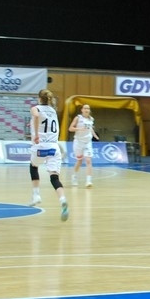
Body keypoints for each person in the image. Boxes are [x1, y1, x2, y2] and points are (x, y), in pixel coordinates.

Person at [29, 89, 69, 221]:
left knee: (33, 167)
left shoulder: (35, 108)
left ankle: (36, 196)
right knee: (54, 178)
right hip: (54, 147)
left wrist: (35, 135)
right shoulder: (53, 111)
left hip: (41, 146)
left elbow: (35, 116)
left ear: (39, 98)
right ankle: (62, 199)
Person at [68, 104, 99, 188]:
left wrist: (94, 135)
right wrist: (79, 129)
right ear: (82, 110)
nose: (86, 110)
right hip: (78, 142)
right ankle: (74, 176)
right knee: (79, 161)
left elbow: (90, 128)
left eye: (88, 108)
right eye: (85, 108)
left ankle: (89, 181)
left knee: (88, 160)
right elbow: (70, 128)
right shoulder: (78, 118)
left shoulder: (91, 119)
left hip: (87, 142)